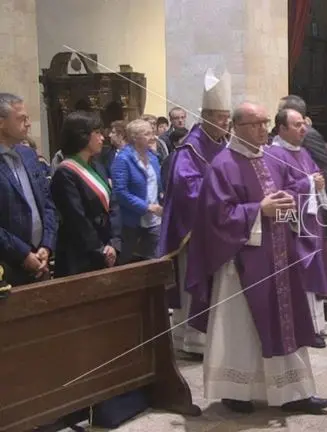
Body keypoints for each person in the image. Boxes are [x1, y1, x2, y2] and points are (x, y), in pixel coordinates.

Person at [184, 102, 327, 415]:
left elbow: (291, 190)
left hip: (279, 257)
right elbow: (215, 217)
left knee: (287, 322)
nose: (263, 129)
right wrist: (257, 211)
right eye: (255, 124)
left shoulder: (272, 158)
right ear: (236, 126)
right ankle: (236, 391)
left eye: (265, 123)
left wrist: (291, 198)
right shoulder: (222, 165)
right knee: (241, 327)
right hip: (240, 263)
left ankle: (294, 391)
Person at [159, 68, 231, 357]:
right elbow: (186, 188)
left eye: (226, 116)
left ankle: (214, 337)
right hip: (193, 232)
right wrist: (222, 195)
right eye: (218, 117)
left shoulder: (224, 145)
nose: (224, 122)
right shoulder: (189, 149)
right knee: (195, 282)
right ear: (204, 117)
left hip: (220, 229)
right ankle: (191, 340)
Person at [267, 108, 327, 347]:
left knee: (312, 271)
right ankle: (300, 327)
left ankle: (314, 325)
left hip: (310, 222)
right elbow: (277, 190)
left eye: (303, 124)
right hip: (292, 227)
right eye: (296, 125)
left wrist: (318, 182)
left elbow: (316, 175)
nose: (303, 129)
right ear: (282, 128)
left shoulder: (303, 152)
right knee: (298, 274)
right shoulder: (274, 154)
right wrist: (309, 183)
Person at [51, 111, 121, 276]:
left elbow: (113, 205)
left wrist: (114, 242)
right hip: (81, 255)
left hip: (109, 247)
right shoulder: (66, 172)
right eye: (96, 133)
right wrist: (100, 250)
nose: (102, 138)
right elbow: (77, 218)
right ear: (81, 136)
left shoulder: (97, 165)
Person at [0, 93, 57, 286]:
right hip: (7, 263)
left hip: (41, 256)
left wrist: (47, 245)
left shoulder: (28, 154)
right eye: (21, 119)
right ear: (1, 123)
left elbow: (48, 203)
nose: (28, 123)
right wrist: (23, 253)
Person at [112, 119, 163, 265]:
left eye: (152, 133)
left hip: (155, 222)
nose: (153, 137)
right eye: (147, 134)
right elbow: (121, 192)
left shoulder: (153, 158)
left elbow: (157, 185)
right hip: (132, 223)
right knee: (132, 265)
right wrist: (146, 207)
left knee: (156, 263)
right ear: (134, 138)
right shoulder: (123, 159)